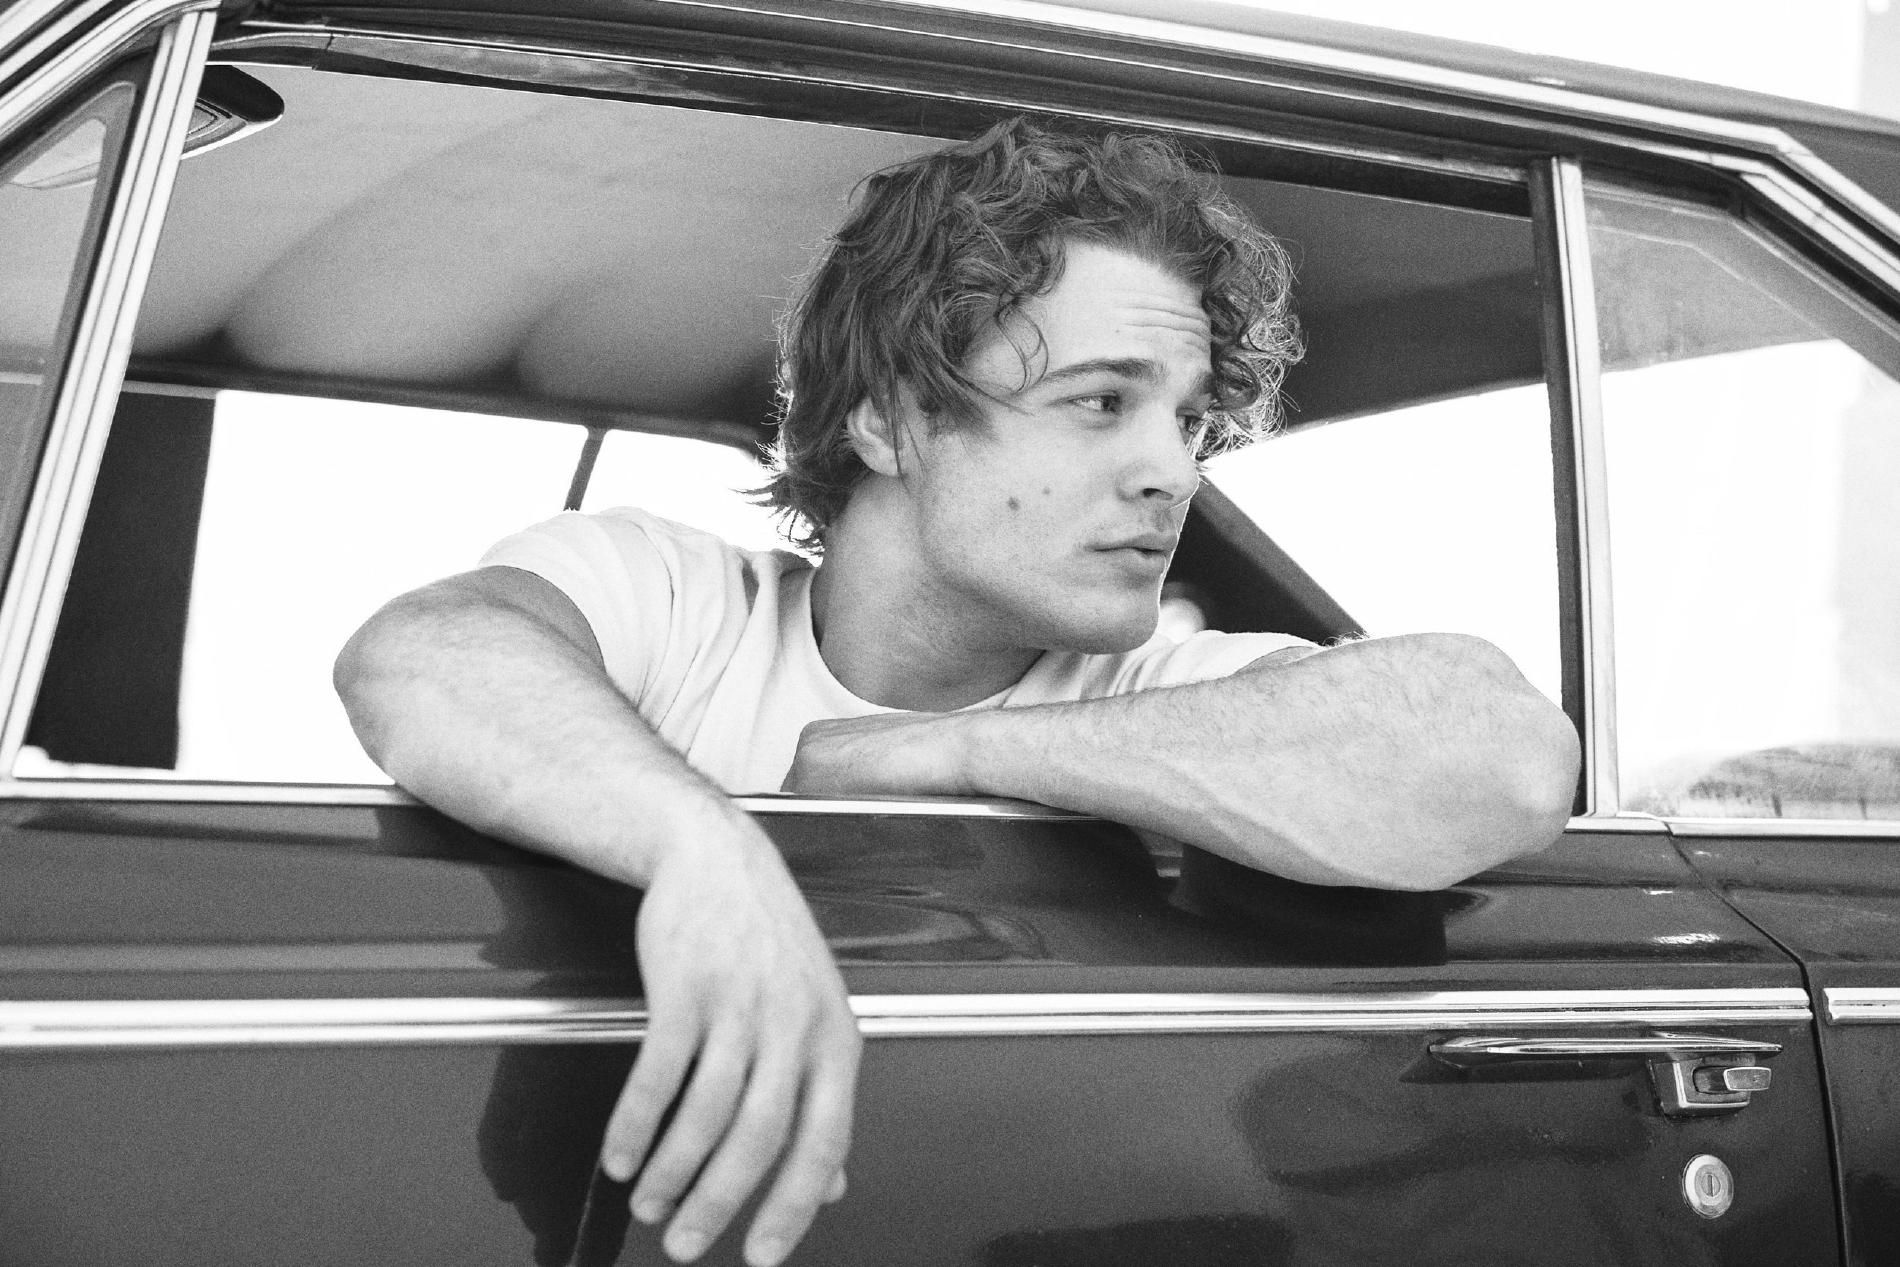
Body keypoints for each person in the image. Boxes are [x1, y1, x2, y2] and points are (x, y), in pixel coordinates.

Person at [334, 118, 1580, 1267]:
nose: (1173, 472)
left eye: (1187, 419)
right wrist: (707, 850)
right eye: (1099, 401)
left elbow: (1505, 755)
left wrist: (932, 753)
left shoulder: (1157, 698)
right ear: (889, 420)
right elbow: (419, 652)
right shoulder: (672, 600)